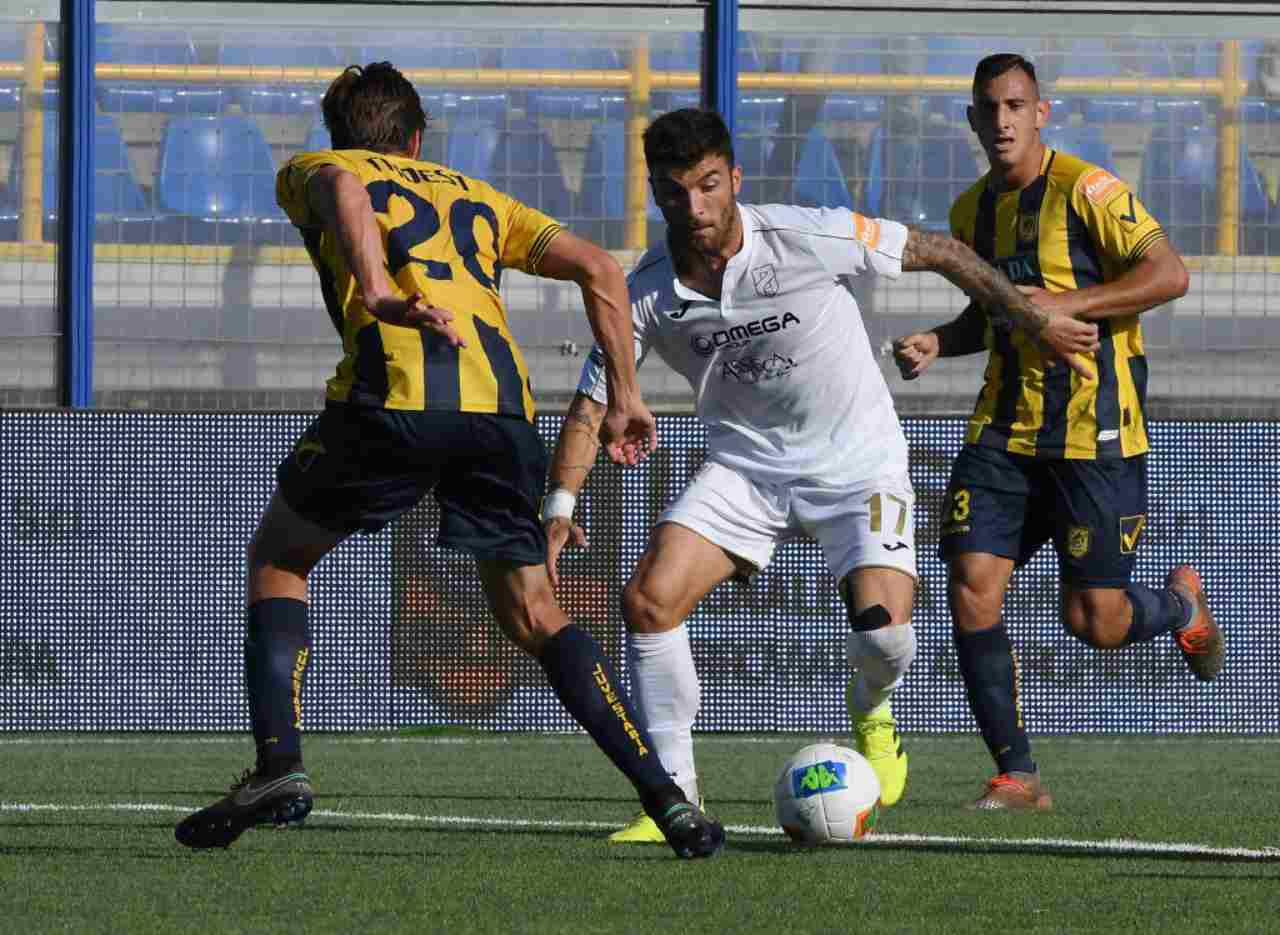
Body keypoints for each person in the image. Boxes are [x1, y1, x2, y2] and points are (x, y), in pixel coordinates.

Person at [174, 63, 723, 859]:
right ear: (419, 136)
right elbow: (602, 268)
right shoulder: (477, 194)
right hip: (502, 413)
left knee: (281, 556)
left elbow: (345, 192)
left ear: (337, 132)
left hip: (390, 400)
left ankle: (279, 765)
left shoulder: (321, 167)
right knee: (537, 611)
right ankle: (668, 799)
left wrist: (379, 289)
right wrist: (629, 397)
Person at [541, 107, 1099, 844]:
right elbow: (591, 401)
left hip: (857, 460)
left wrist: (1031, 319)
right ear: (656, 193)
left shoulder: (806, 234)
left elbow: (939, 251)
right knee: (648, 601)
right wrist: (559, 501)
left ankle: (871, 709)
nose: (696, 207)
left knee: (883, 635)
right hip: (746, 468)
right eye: (677, 193)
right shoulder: (644, 289)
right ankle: (670, 796)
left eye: (710, 186)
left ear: (734, 178)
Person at [892, 53, 1224, 811]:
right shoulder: (969, 212)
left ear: (1041, 113)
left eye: (1017, 105)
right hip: (1004, 428)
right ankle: (1018, 773)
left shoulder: (1089, 190)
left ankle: (1181, 607)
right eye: (989, 108)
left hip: (1094, 432)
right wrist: (942, 341)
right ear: (973, 119)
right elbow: (993, 309)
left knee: (1095, 620)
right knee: (972, 585)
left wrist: (1068, 305)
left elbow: (1169, 274)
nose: (1003, 120)